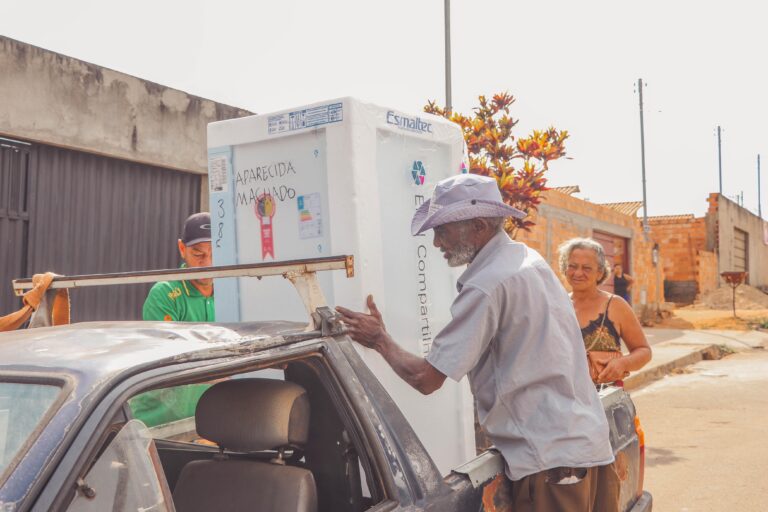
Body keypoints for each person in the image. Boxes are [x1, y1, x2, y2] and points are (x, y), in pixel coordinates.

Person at [337, 174, 619, 512]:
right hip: (586, 449)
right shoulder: (528, 261)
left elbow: (425, 378)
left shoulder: (488, 284)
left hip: (550, 464)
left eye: (442, 230)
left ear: (479, 226)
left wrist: (380, 340)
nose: (437, 243)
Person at [132, 212, 215, 427]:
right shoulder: (165, 293)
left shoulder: (234, 293)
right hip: (157, 422)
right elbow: (171, 362)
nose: (207, 263)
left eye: (214, 254)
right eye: (198, 254)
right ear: (181, 249)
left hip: (207, 421)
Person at [559, 238, 651, 385]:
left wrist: (623, 363)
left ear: (600, 273)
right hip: (562, 400)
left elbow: (644, 351)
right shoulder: (558, 306)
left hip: (605, 400)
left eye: (587, 268)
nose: (578, 273)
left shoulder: (615, 305)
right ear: (565, 268)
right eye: (572, 266)